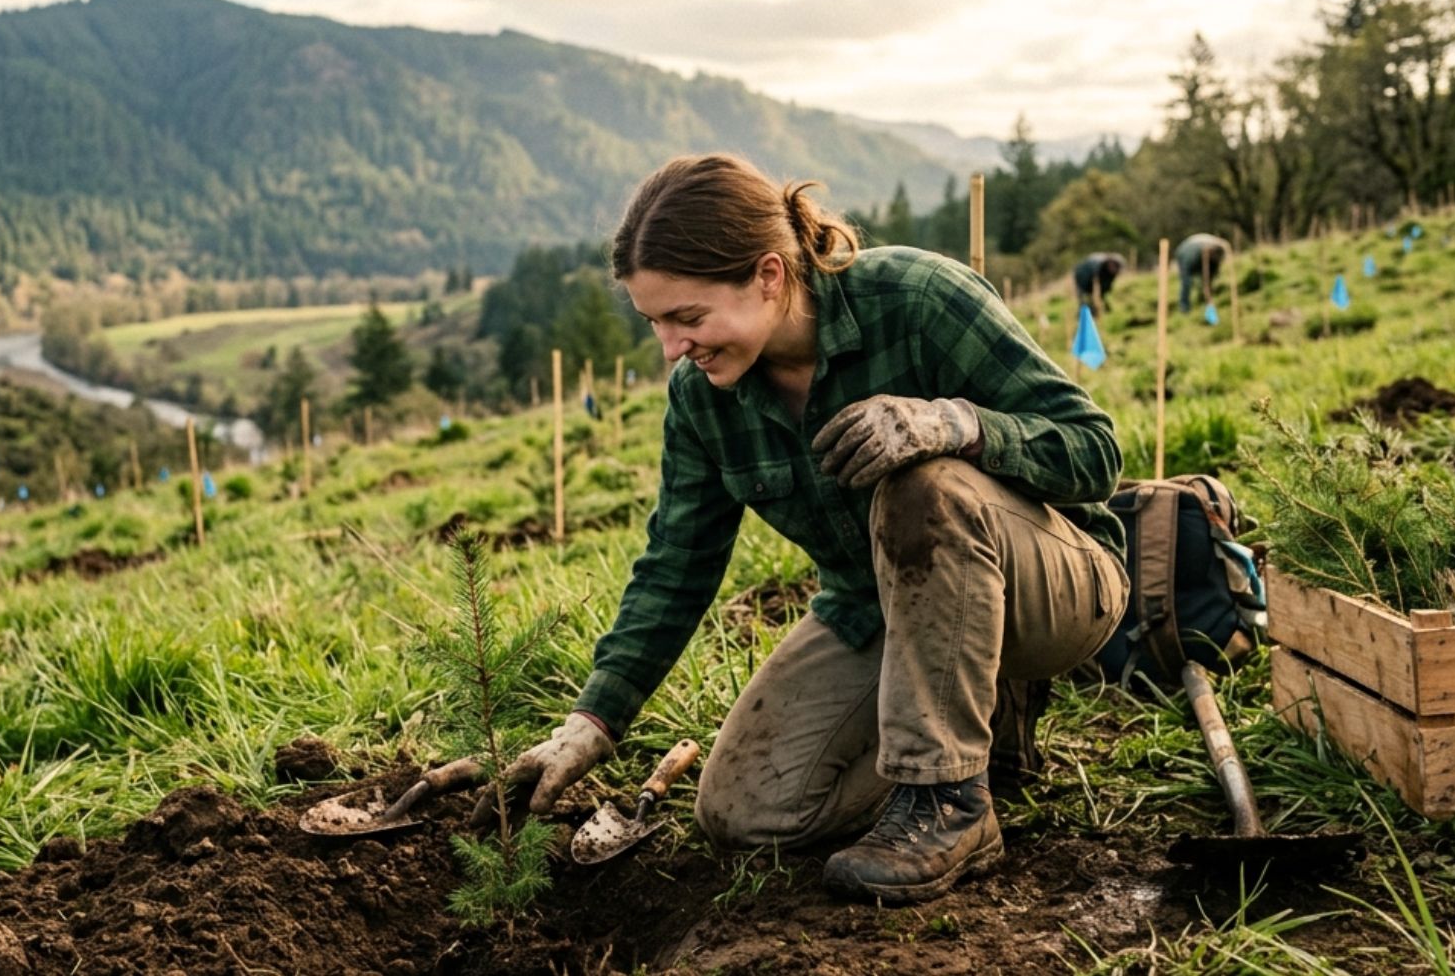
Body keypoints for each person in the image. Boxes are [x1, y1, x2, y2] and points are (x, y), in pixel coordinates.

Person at [490, 154, 1127, 904]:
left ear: (768, 274)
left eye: (688, 318)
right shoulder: (704, 401)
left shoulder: (919, 298)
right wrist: (591, 722)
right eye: (656, 322)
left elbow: (1094, 451)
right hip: (880, 611)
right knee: (742, 813)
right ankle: (979, 718)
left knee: (924, 486)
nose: (672, 347)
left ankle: (952, 804)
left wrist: (953, 423)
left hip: (1053, 588)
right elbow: (675, 565)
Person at [1173, 234, 1230, 314]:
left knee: (1208, 281)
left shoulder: (1218, 249)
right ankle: (1184, 307)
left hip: (1204, 256)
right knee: (1186, 282)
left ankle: (1205, 300)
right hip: (1185, 253)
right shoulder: (1191, 254)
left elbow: (1213, 272)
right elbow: (1186, 269)